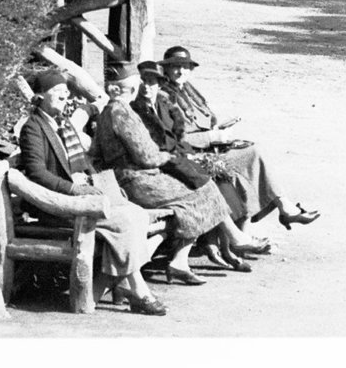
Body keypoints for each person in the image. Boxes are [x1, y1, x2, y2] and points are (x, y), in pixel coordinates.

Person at [88, 59, 255, 284]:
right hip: (137, 180)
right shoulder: (121, 112)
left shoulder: (109, 111)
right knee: (201, 190)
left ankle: (181, 261)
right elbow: (146, 156)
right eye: (134, 86)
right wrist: (167, 158)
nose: (138, 90)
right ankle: (228, 240)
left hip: (127, 177)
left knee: (197, 187)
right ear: (117, 89)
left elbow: (97, 151)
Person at [15, 69, 167, 315]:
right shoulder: (33, 128)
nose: (64, 97)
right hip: (56, 204)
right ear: (40, 96)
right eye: (57, 93)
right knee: (125, 221)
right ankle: (138, 290)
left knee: (137, 214)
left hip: (81, 196)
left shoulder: (62, 124)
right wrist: (74, 188)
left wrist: (94, 181)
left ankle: (109, 285)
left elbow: (83, 161)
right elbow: (37, 174)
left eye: (66, 92)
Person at [151, 45, 317, 232]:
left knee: (252, 154)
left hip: (211, 149)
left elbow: (203, 119)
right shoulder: (163, 97)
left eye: (185, 66)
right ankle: (280, 211)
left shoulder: (189, 90)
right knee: (251, 157)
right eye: (175, 66)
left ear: (191, 69)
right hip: (193, 155)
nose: (181, 71)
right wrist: (211, 136)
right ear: (166, 69)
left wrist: (217, 130)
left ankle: (280, 209)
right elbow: (174, 140)